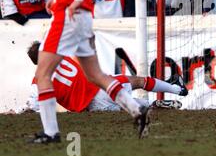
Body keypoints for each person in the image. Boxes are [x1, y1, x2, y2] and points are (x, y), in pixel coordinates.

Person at [31, 0, 152, 144]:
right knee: (95, 75)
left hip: (68, 16)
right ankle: (137, 109)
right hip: (83, 17)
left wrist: (74, 0)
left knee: (42, 74)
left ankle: (51, 133)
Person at [26, 41, 187, 113]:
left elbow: (33, 105)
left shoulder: (38, 81)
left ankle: (152, 104)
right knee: (139, 81)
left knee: (135, 108)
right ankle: (177, 88)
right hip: (102, 87)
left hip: (93, 107)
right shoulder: (60, 55)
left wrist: (24, 110)